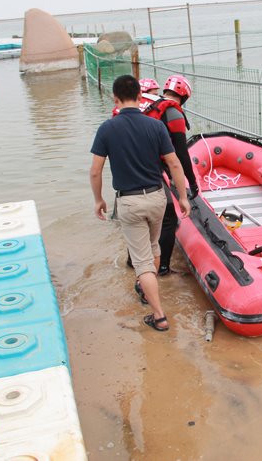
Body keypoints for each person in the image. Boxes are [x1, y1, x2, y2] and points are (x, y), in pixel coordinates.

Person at [90, 75, 190, 332]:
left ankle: (158, 316)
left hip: (130, 202)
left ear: (115, 98)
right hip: (157, 196)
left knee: (142, 262)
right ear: (140, 96)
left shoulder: (107, 128)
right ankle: (147, 288)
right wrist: (181, 196)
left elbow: (95, 171)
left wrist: (98, 199)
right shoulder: (156, 127)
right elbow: (174, 163)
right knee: (153, 248)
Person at [141, 74, 199, 276]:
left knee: (139, 221)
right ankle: (163, 267)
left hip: (132, 168)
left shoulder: (148, 104)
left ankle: (133, 262)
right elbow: (181, 155)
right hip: (152, 172)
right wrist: (192, 184)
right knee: (169, 220)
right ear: (184, 96)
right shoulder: (173, 113)